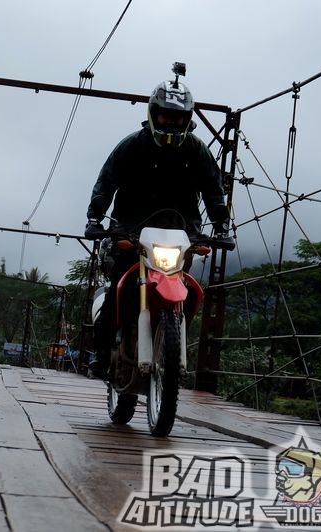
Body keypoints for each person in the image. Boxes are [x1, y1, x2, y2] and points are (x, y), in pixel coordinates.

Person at [84, 73, 231, 379]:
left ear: (187, 119)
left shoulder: (197, 150)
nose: (171, 122)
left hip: (181, 233)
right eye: (165, 116)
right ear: (153, 114)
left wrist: (220, 225)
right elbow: (107, 180)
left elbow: (214, 189)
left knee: (188, 289)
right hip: (132, 232)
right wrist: (95, 217)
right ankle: (101, 352)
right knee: (118, 288)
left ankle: (171, 338)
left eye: (178, 118)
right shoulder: (132, 146)